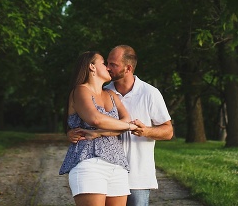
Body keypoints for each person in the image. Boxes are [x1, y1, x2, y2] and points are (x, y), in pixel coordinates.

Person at [69, 45, 173, 206]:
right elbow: (85, 118)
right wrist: (72, 133)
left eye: (113, 65)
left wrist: (145, 131)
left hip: (137, 174)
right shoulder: (104, 91)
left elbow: (168, 131)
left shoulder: (149, 93)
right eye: (107, 63)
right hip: (107, 166)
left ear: (128, 68)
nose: (109, 68)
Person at [59, 51, 138, 206]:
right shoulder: (81, 90)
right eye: (104, 63)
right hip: (89, 161)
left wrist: (98, 133)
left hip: (117, 163)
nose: (108, 68)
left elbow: (125, 119)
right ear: (92, 67)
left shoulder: (111, 94)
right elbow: (96, 119)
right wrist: (129, 127)